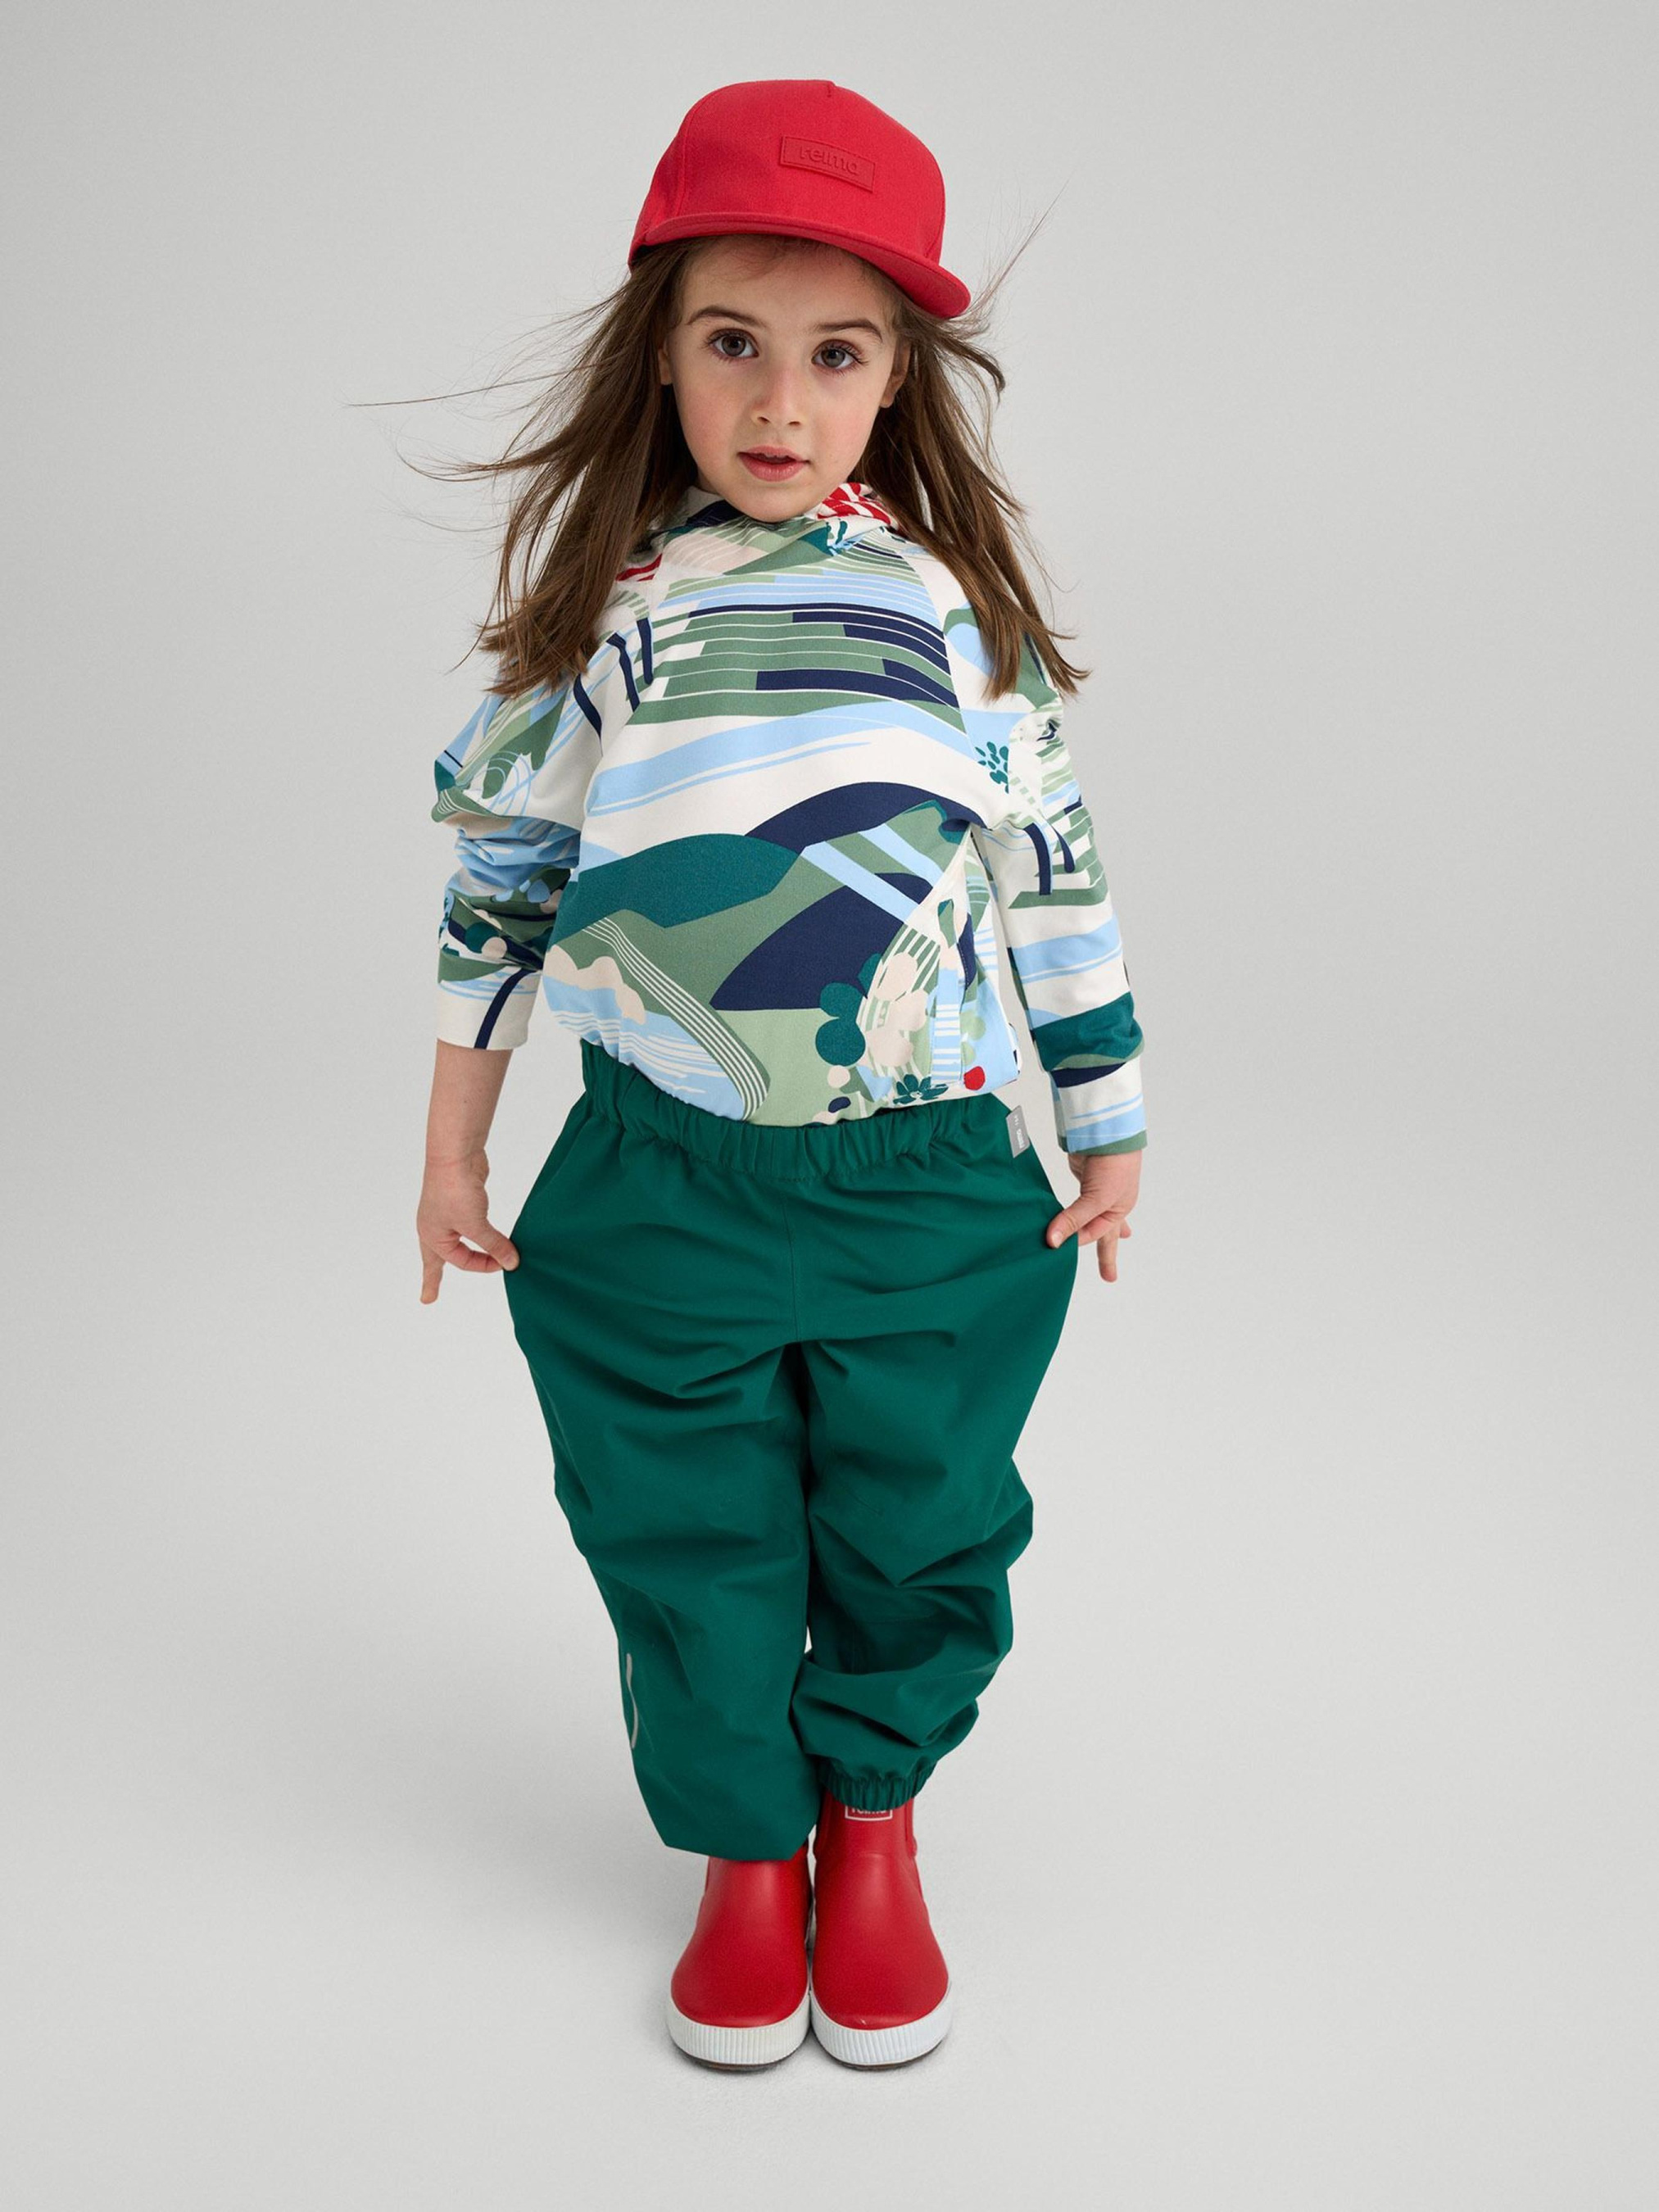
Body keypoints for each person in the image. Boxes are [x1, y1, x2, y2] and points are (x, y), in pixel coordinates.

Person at [415, 78, 1148, 2071]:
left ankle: (872, 1822)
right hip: (656, 1183)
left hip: (931, 1184)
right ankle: (747, 1849)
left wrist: (1102, 1116)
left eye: (834, 355)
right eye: (729, 341)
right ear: (656, 356)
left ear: (897, 379)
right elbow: (499, 891)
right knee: (679, 1526)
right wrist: (452, 1150)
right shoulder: (606, 622)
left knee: (923, 1518)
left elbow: (1050, 873)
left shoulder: (957, 621)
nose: (776, 399)